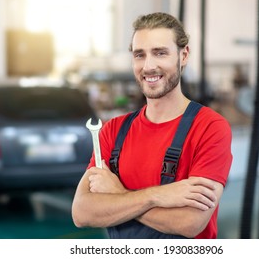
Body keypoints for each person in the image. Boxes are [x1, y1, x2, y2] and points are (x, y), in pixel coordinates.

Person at [71, 12, 232, 239]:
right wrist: (156, 196)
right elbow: (82, 212)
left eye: (160, 53)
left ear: (183, 55)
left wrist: (118, 194)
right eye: (140, 55)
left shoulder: (210, 128)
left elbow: (190, 222)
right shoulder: (112, 131)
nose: (148, 66)